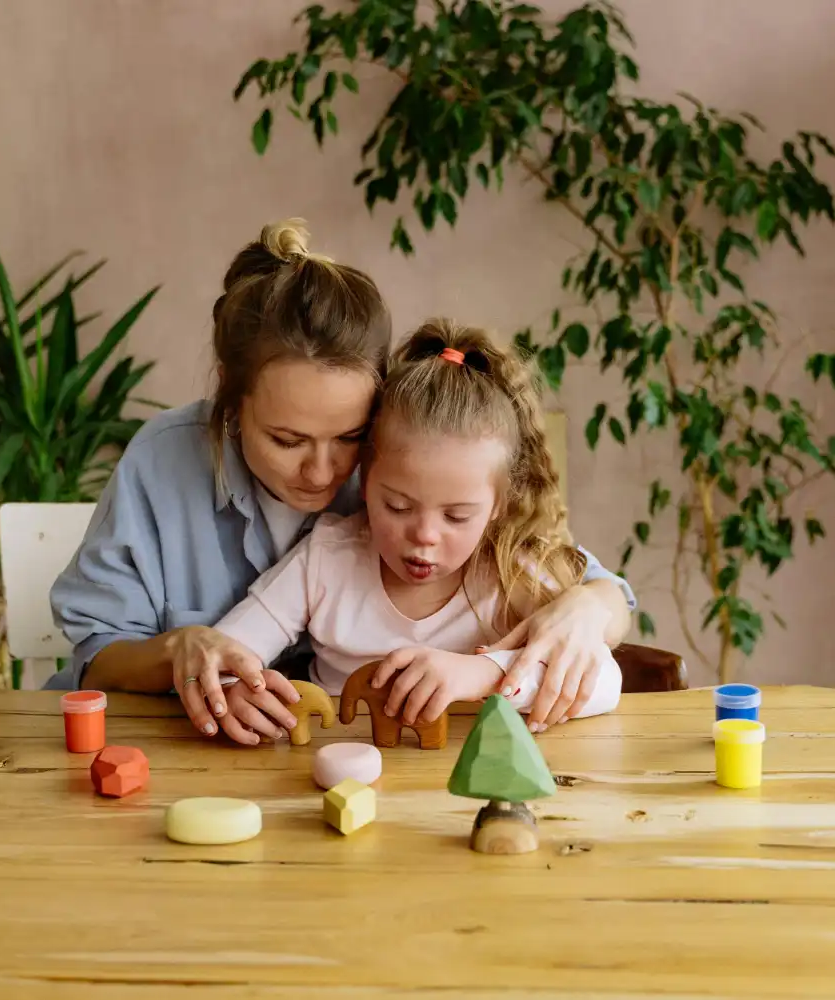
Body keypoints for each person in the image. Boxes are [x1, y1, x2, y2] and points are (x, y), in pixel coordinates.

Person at [47, 219, 635, 737]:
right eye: (287, 440)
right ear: (230, 397)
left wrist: (582, 610)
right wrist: (185, 653)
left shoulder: (406, 454)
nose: (323, 471)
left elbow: (592, 590)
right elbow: (97, 658)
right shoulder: (166, 464)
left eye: (349, 437)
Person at [211, 319, 626, 745]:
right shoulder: (327, 557)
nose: (425, 535)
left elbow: (605, 683)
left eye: (458, 516)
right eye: (398, 506)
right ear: (365, 479)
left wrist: (481, 673)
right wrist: (235, 689)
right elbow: (224, 653)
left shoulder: (508, 570)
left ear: (498, 506)